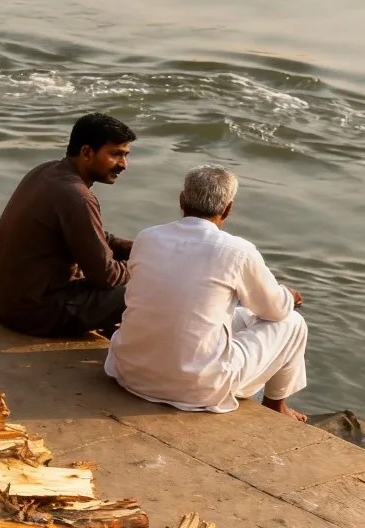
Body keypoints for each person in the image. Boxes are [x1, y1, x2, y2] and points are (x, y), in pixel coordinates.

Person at [106, 165, 309, 421]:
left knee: (233, 312)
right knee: (292, 322)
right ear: (228, 209)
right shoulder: (237, 250)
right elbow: (275, 309)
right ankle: (275, 406)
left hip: (130, 373)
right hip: (197, 388)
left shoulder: (147, 237)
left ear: (181, 201)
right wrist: (289, 295)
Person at [0, 113, 136, 336]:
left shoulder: (44, 171)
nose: (124, 164)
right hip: (32, 314)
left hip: (2, 299)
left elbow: (88, 234)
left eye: (125, 155)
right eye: (115, 154)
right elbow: (107, 277)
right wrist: (145, 263)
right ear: (86, 152)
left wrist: (138, 246)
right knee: (148, 284)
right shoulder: (77, 196)